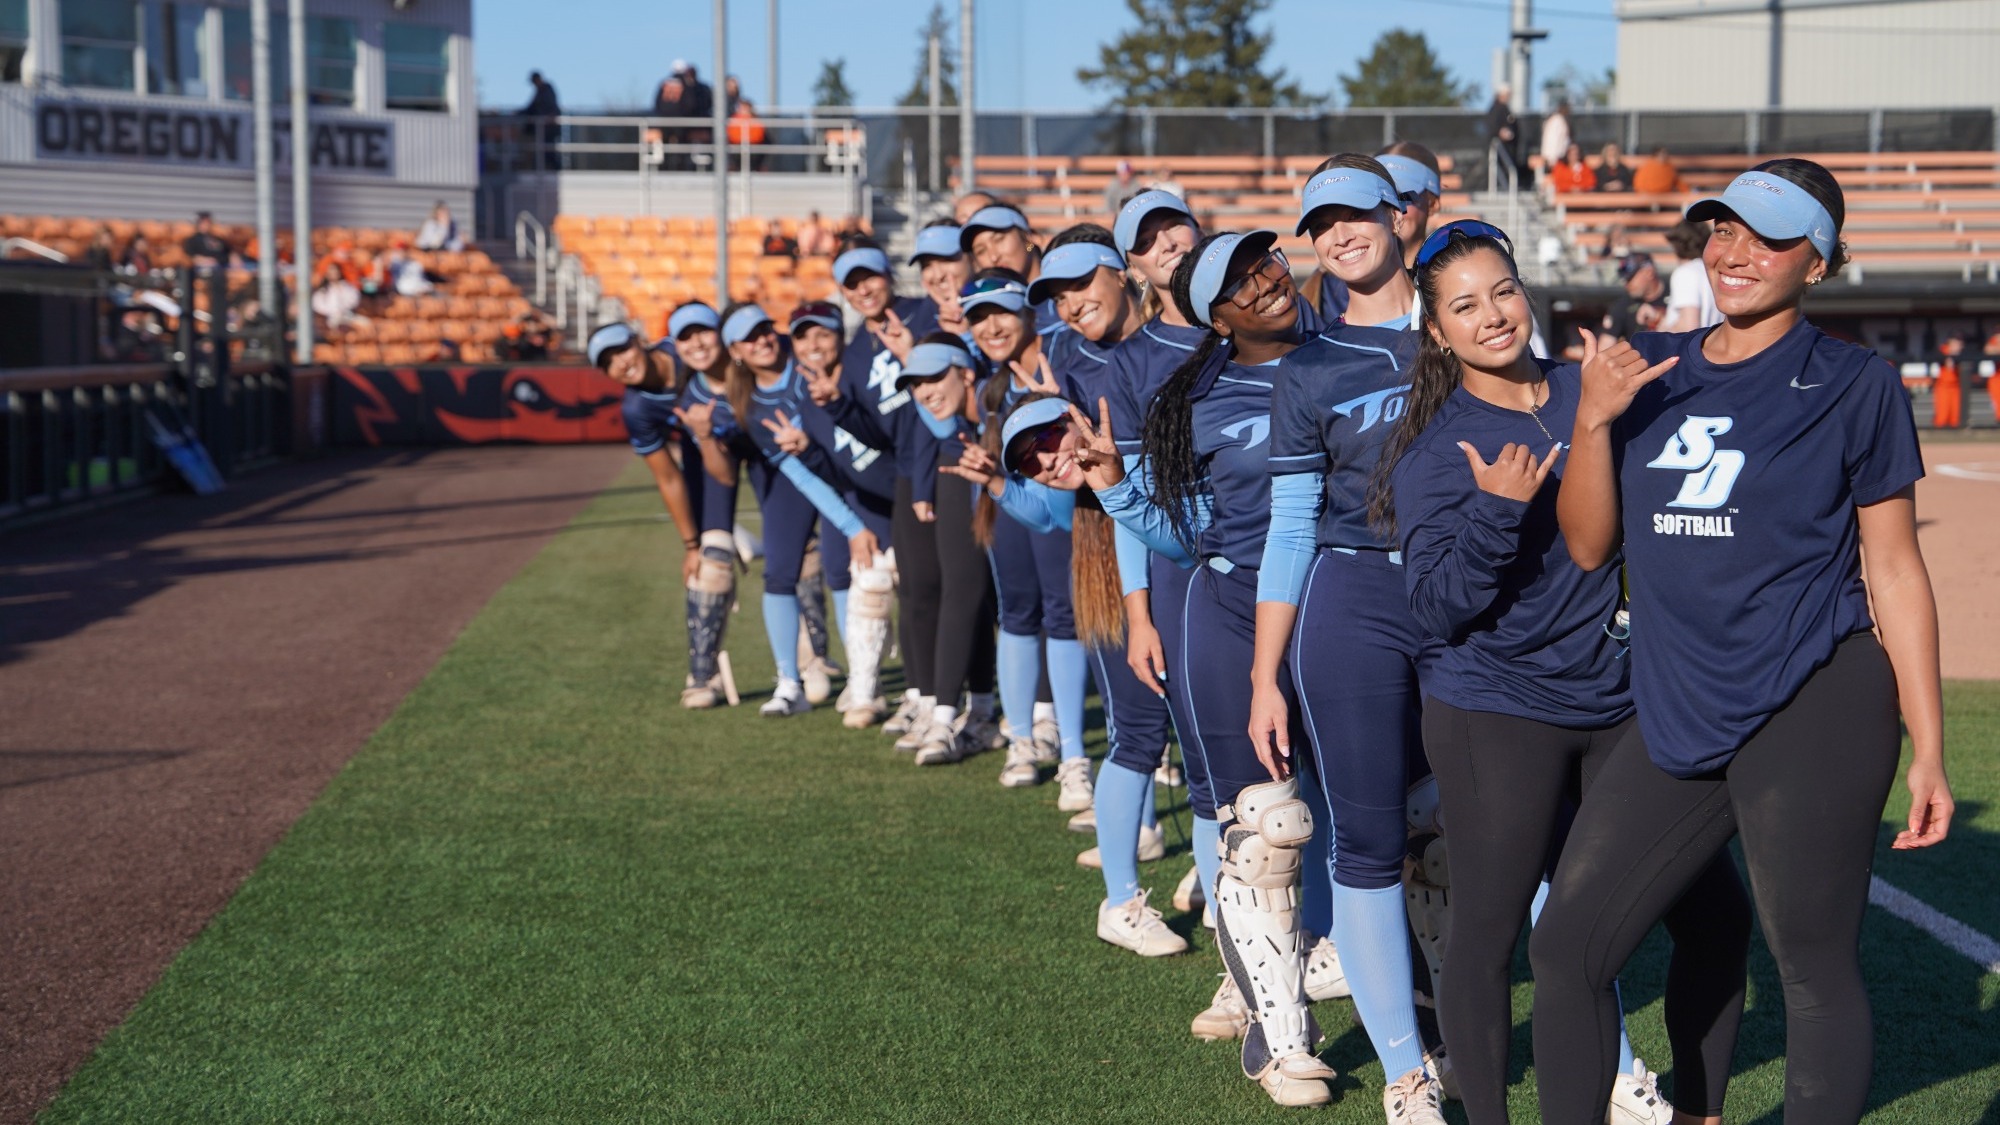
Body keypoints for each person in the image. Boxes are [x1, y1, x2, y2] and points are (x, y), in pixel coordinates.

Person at [1536, 159, 1952, 1124]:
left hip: (1818, 695)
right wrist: (1595, 422)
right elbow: (1592, 545)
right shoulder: (1647, 368)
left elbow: (1894, 568)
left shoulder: (1856, 382)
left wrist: (1928, 745)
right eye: (1721, 230)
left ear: (1820, 261)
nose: (1733, 253)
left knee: (1808, 965)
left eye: (1767, 238)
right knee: (1568, 948)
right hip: (1676, 699)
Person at [1374, 220, 1747, 1125]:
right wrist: (1499, 512)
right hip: (1497, 712)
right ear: (1437, 332)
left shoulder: (1592, 386)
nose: (1493, 315)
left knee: (1715, 918)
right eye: (1464, 306)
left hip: (1623, 703)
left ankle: (1698, 1110)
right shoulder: (1439, 452)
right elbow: (1433, 613)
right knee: (1490, 934)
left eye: (1502, 289)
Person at [1030, 229, 1339, 1107]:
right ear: (1214, 313)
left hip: (1349, 609)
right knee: (1265, 823)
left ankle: (1391, 1005)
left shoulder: (1349, 355)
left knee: (1375, 817)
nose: (1267, 281)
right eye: (1239, 280)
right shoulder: (1190, 394)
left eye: (1267, 263)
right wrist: (1117, 490)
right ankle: (1274, 1026)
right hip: (1235, 611)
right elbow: (1186, 535)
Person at [1253, 154, 1449, 1122]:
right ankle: (1407, 1076)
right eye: (1319, 223)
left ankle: (1610, 1056)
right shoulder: (1309, 364)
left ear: (1398, 217)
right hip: (1351, 604)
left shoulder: (1465, 322)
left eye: (1354, 213)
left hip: (1467, 605)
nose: (1338, 233)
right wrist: (1263, 675)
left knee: (1506, 833)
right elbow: (1290, 529)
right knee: (1365, 844)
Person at [679, 303, 881, 718]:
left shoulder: (808, 365)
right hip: (798, 481)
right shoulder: (748, 404)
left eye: (765, 330)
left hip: (846, 475)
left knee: (842, 570)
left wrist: (851, 524)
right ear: (735, 349)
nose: (762, 341)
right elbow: (796, 474)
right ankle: (789, 683)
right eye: (750, 338)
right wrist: (850, 523)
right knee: (778, 574)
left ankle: (864, 682)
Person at [804, 239, 958, 737]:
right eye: (852, 284)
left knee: (962, 591)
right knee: (916, 592)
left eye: (869, 276)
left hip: (954, 461)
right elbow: (877, 433)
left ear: (887, 276)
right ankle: (921, 695)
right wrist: (836, 407)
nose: (864, 289)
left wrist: (913, 354)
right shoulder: (854, 354)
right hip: (909, 477)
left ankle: (972, 699)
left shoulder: (924, 313)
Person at [886, 332, 1008, 763]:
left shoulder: (1003, 405)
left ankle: (1027, 725)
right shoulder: (952, 427)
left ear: (967, 372)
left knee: (1023, 607)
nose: (924, 391)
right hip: (960, 475)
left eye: (933, 376)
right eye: (915, 383)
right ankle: (949, 718)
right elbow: (935, 420)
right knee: (964, 589)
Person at [585, 321, 703, 593]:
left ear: (639, 341)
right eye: (609, 362)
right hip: (709, 454)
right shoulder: (637, 410)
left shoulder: (682, 349)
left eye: (622, 350)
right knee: (709, 573)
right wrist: (691, 546)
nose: (621, 363)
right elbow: (669, 478)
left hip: (766, 438)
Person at [909, 221, 970, 336]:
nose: (938, 275)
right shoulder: (911, 322)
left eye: (946, 260)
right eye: (926, 265)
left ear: (970, 257)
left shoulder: (998, 302)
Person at [1661, 219, 1721, 332]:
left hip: (1689, 347)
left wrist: (1661, 331)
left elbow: (1689, 327)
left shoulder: (1685, 273)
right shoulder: (1713, 271)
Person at [1603, 253, 1667, 340]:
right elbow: (1605, 347)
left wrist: (1658, 318)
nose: (1626, 285)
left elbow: (1687, 334)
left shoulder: (1679, 294)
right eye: (1625, 280)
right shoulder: (1622, 305)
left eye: (1630, 278)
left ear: (1649, 272)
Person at [1482, 85, 1521, 189]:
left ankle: (1506, 187)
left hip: (1509, 148)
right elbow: (1492, 126)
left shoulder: (1506, 109)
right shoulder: (1495, 109)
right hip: (1500, 149)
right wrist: (1500, 132)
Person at [1538, 101, 1573, 184]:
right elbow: (1553, 141)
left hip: (1556, 156)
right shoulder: (1557, 121)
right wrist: (1551, 158)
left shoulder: (1556, 120)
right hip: (1554, 157)